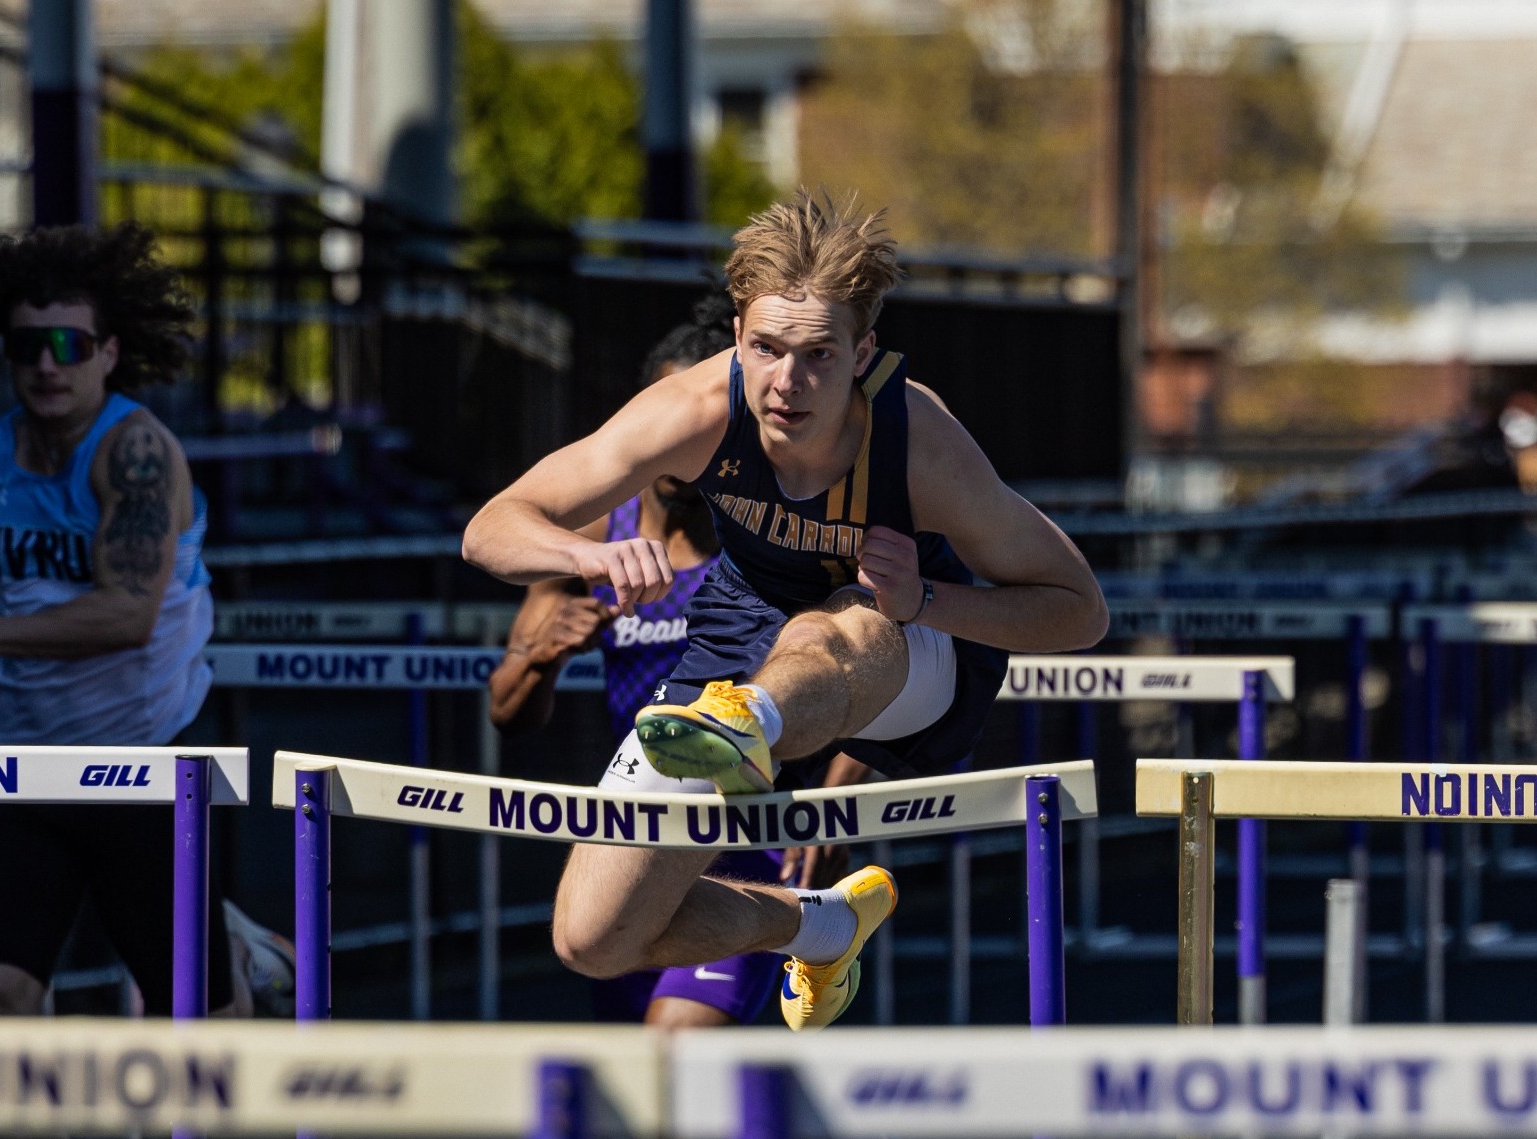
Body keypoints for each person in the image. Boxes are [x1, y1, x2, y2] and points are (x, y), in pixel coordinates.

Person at [463, 192, 1107, 1030]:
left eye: (817, 356)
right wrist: (585, 554)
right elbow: (490, 529)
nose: (788, 384)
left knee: (835, 619)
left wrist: (928, 598)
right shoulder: (696, 409)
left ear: (863, 350)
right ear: (737, 334)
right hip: (746, 625)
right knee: (593, 935)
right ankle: (819, 922)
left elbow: (1078, 610)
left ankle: (748, 721)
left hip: (907, 642)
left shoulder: (919, 442)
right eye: (767, 349)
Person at [0, 222, 291, 1017]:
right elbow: (27, 605)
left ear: (109, 352)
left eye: (70, 344)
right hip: (26, 764)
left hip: (137, 764)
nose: (47, 364)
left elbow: (125, 615)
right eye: (28, 344)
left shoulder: (136, 451)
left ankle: (239, 951)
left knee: (202, 1019)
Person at [487, 297, 868, 1028]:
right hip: (632, 837)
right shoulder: (595, 537)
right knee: (651, 1092)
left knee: (683, 1048)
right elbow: (506, 710)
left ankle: (817, 926)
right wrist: (542, 659)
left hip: (748, 840)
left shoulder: (771, 539)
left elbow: (851, 670)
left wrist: (835, 805)